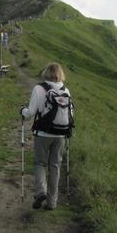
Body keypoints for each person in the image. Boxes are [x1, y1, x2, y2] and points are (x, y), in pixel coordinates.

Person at [21, 62, 73, 210]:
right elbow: (70, 114)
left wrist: (23, 111)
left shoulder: (39, 88)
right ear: (60, 74)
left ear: (46, 73)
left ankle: (40, 192)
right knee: (55, 166)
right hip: (61, 135)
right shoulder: (65, 90)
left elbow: (31, 112)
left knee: (40, 163)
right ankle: (52, 203)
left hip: (43, 133)